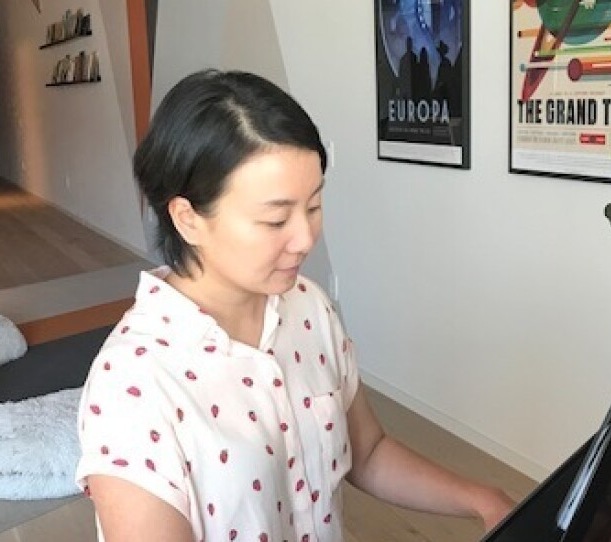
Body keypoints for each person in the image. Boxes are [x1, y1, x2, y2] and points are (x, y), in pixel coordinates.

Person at [75, 69, 514, 542]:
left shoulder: (307, 307)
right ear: (188, 218)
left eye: (313, 206)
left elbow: (367, 452)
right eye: (276, 218)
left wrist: (481, 499)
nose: (305, 239)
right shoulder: (132, 386)